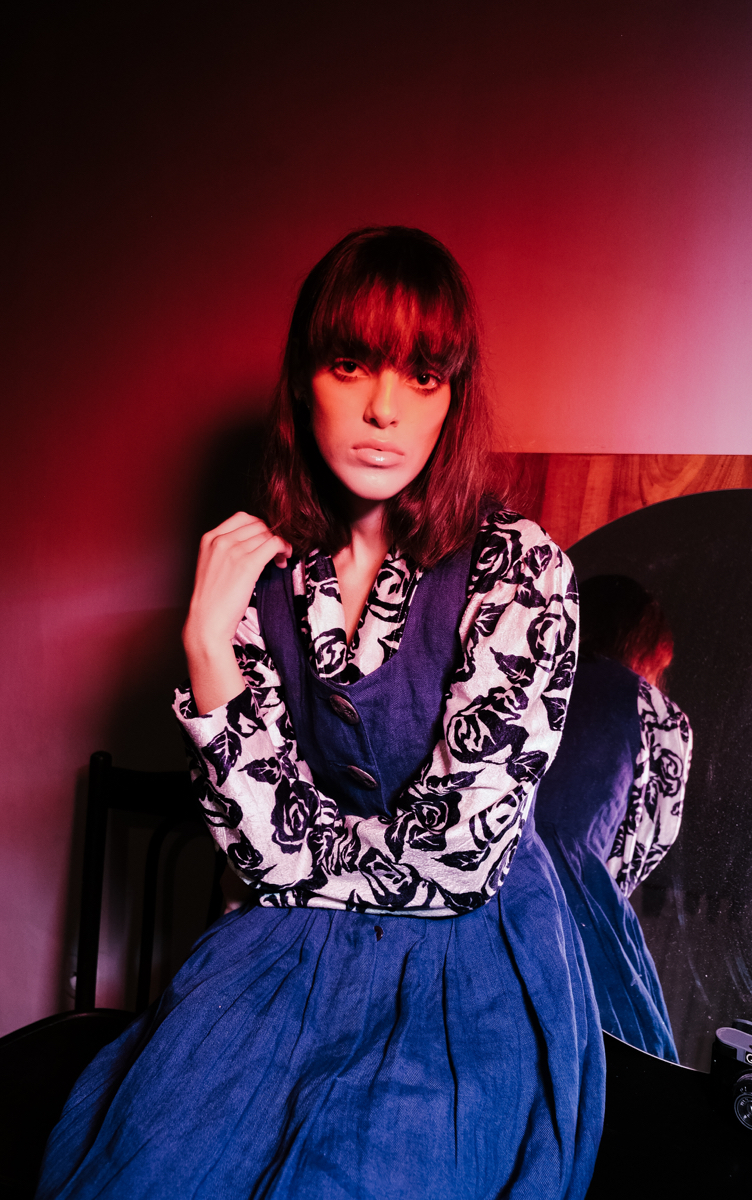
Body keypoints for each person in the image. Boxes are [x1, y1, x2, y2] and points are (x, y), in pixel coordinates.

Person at [36, 227, 604, 1200]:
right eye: (351, 364)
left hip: (467, 958)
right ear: (304, 381)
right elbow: (257, 854)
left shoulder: (521, 570)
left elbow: (454, 861)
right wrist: (206, 644)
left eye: (422, 374)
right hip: (285, 941)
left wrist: (299, 856)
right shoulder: (262, 577)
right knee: (154, 1162)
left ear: (452, 398)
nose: (384, 407)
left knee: (364, 1173)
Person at [534, 575, 693, 1060]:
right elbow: (649, 836)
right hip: (575, 900)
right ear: (647, 651)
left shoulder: (529, 674)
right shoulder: (652, 710)